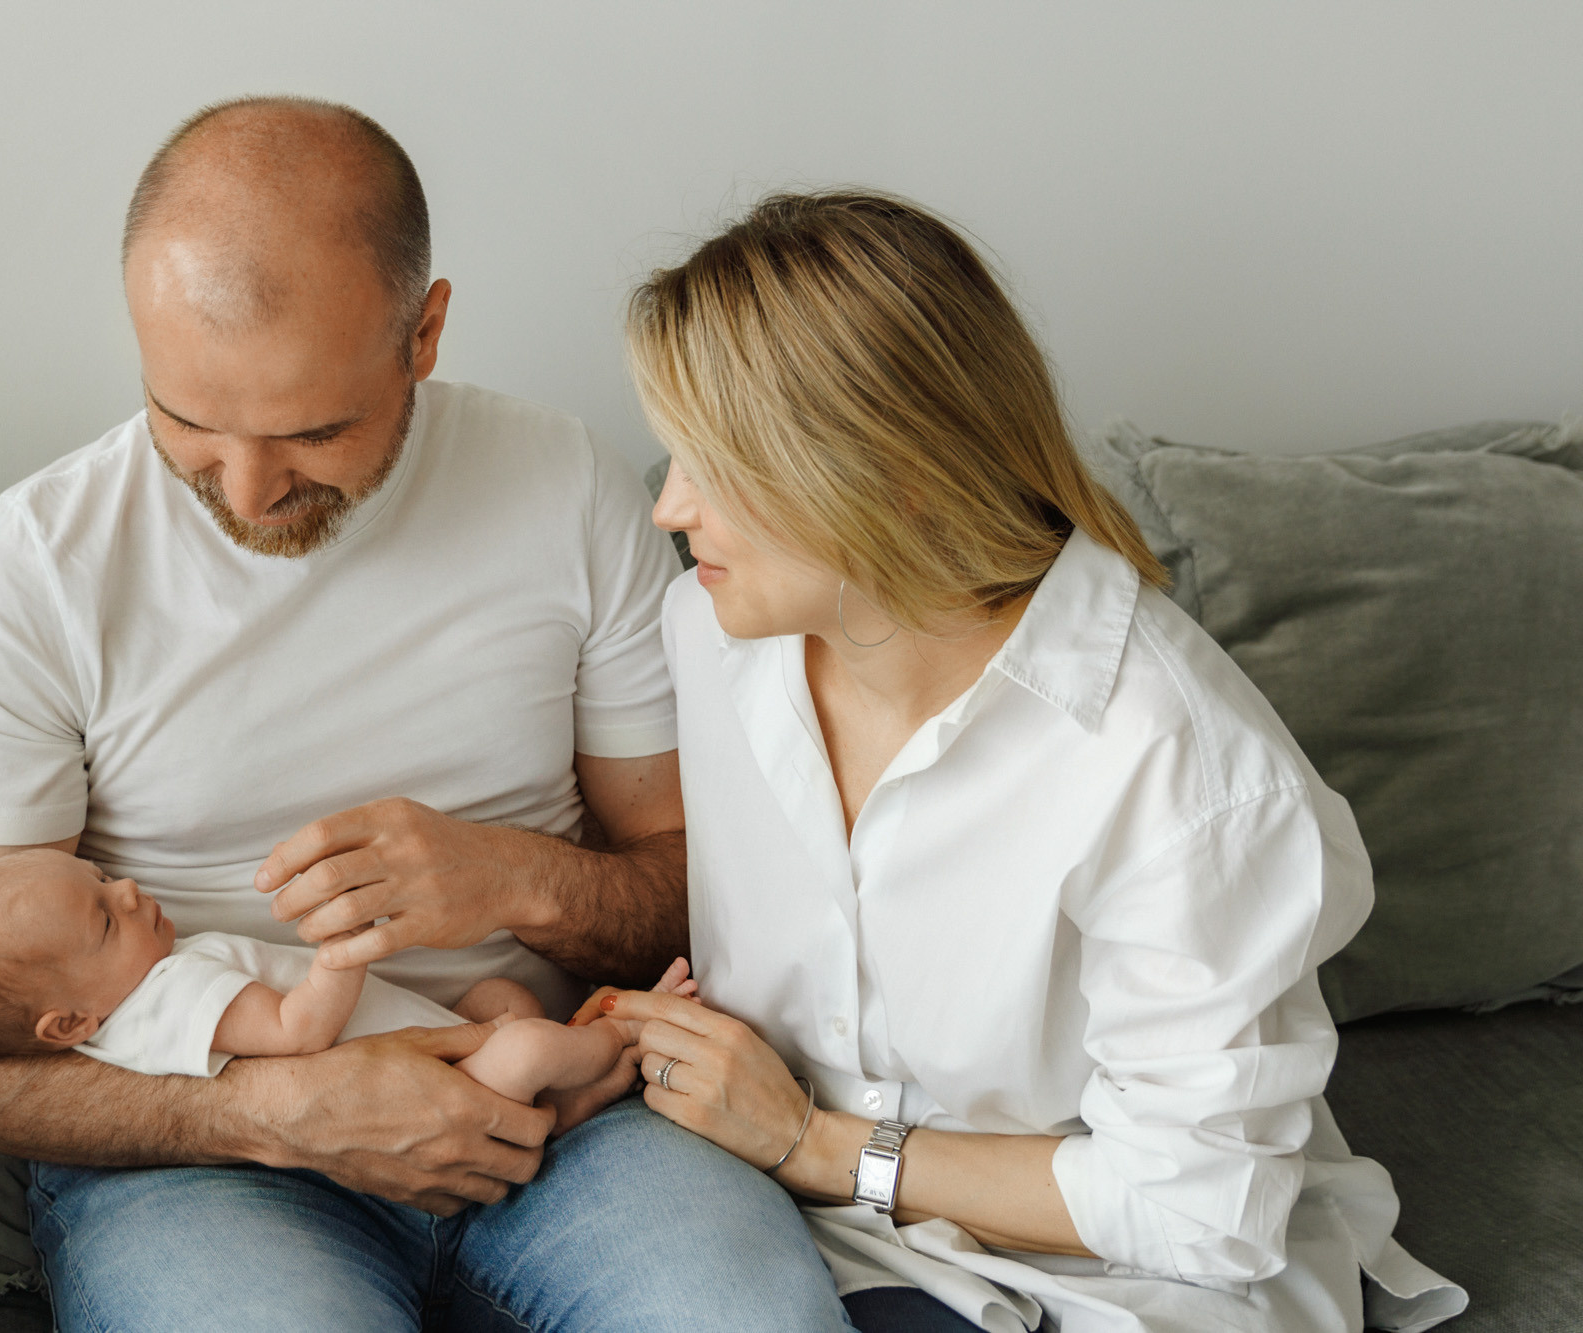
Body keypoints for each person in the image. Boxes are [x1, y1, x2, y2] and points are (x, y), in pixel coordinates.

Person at [0, 97, 851, 1329]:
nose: (245, 488)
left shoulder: (564, 492)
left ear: (424, 331)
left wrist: (513, 883)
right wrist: (271, 1113)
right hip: (202, 1165)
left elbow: (707, 890)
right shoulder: (34, 572)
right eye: (186, 420)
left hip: (574, 1121)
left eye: (311, 431)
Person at [599, 191, 1467, 1332]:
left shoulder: (1182, 767)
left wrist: (811, 1141)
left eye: (709, 464)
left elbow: (1195, 1209)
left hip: (1108, 1281)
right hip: (779, 1234)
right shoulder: (711, 635)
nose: (669, 506)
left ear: (884, 472)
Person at [0, 847, 689, 1106]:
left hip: (433, 1046)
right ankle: (624, 1030)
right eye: (106, 917)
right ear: (69, 1023)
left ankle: (575, 1096)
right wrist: (345, 942)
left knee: (506, 1007)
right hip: (428, 1085)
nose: (130, 891)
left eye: (104, 877)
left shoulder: (139, 990)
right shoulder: (168, 1001)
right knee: (520, 1048)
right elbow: (299, 1030)